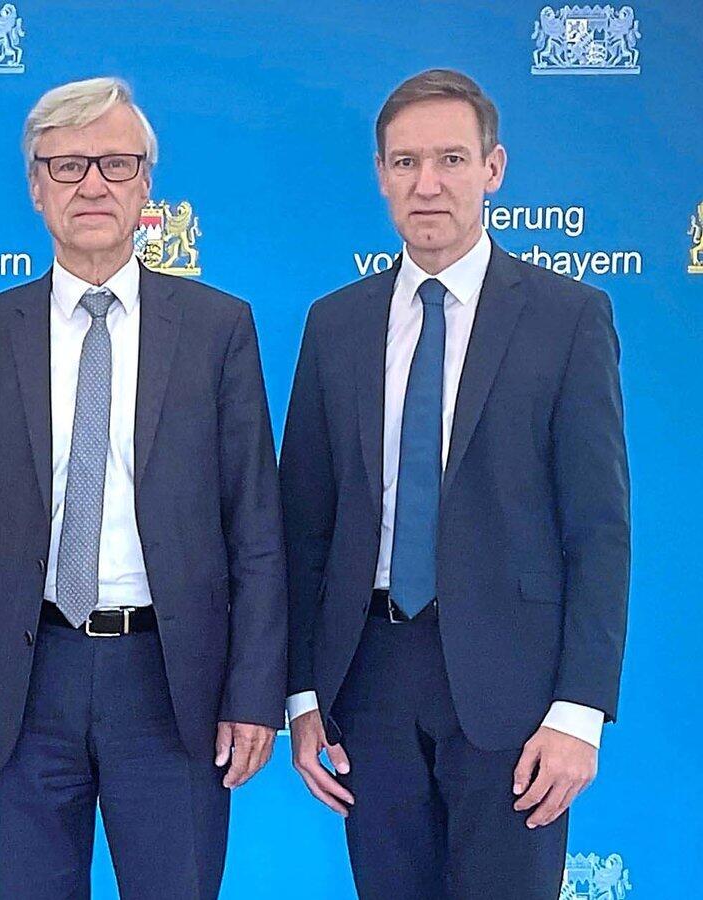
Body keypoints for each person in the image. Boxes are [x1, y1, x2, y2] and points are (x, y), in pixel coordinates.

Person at [0, 77, 286, 899]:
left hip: (173, 683)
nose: (92, 184)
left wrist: (255, 694)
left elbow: (256, 528)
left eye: (115, 164)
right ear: (35, 186)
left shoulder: (218, 330)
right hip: (26, 681)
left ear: (146, 184)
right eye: (68, 164)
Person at [280, 68, 630, 899]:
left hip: (516, 693)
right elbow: (302, 525)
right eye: (405, 163)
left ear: (493, 168)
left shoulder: (568, 318)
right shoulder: (335, 324)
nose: (427, 184)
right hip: (367, 682)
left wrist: (579, 712)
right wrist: (300, 694)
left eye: (450, 159)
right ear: (381, 175)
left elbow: (598, 529)